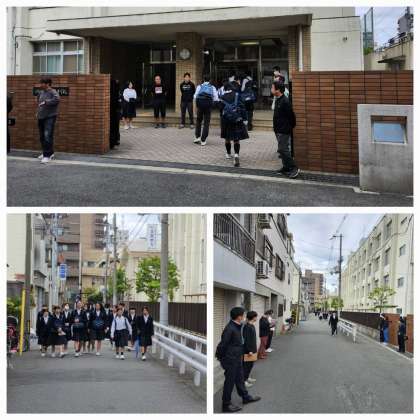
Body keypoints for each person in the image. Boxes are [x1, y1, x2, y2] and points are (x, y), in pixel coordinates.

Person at [216, 307, 261, 413]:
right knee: (229, 383)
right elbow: (222, 345)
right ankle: (226, 405)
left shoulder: (237, 326)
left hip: (237, 359)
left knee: (240, 379)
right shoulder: (230, 328)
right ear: (239, 317)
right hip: (231, 360)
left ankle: (245, 397)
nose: (245, 317)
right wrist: (221, 358)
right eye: (243, 315)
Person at [272, 81, 299, 178]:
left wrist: (289, 127)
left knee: (282, 149)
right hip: (278, 130)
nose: (271, 89)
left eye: (272, 88)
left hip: (284, 130)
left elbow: (292, 117)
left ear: (278, 90)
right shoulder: (278, 100)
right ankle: (286, 167)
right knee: (282, 150)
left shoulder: (285, 101)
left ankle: (294, 168)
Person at [220, 80, 249, 167]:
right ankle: (236, 155)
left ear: (225, 89)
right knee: (236, 138)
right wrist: (245, 119)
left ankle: (228, 154)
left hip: (226, 120)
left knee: (227, 138)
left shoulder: (222, 97)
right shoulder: (237, 95)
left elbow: (221, 110)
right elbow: (242, 107)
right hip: (237, 119)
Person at [36, 78, 60, 164]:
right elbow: (39, 104)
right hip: (41, 117)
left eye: (42, 83)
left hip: (50, 117)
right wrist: (38, 112)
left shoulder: (53, 92)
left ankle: (47, 156)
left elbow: (57, 100)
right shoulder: (41, 93)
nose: (40, 85)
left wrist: (46, 102)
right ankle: (48, 152)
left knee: (47, 136)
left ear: (48, 84)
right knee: (42, 136)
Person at [194, 74, 218, 146]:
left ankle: (197, 137)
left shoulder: (199, 86)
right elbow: (216, 98)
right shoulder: (212, 87)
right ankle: (203, 140)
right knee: (206, 123)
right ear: (210, 80)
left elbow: (195, 96)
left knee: (198, 121)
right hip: (208, 107)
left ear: (203, 79)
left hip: (200, 106)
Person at [242, 311, 258, 388]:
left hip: (253, 349)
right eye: (256, 316)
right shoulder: (247, 327)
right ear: (253, 317)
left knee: (250, 365)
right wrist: (249, 350)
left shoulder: (252, 325)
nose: (256, 318)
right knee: (246, 366)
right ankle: (243, 381)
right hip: (249, 351)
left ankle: (247, 377)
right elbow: (246, 340)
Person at [110, 78, 121, 148]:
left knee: (114, 127)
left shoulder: (113, 93)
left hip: (114, 113)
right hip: (115, 113)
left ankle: (114, 141)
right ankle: (115, 140)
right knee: (115, 127)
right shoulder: (116, 93)